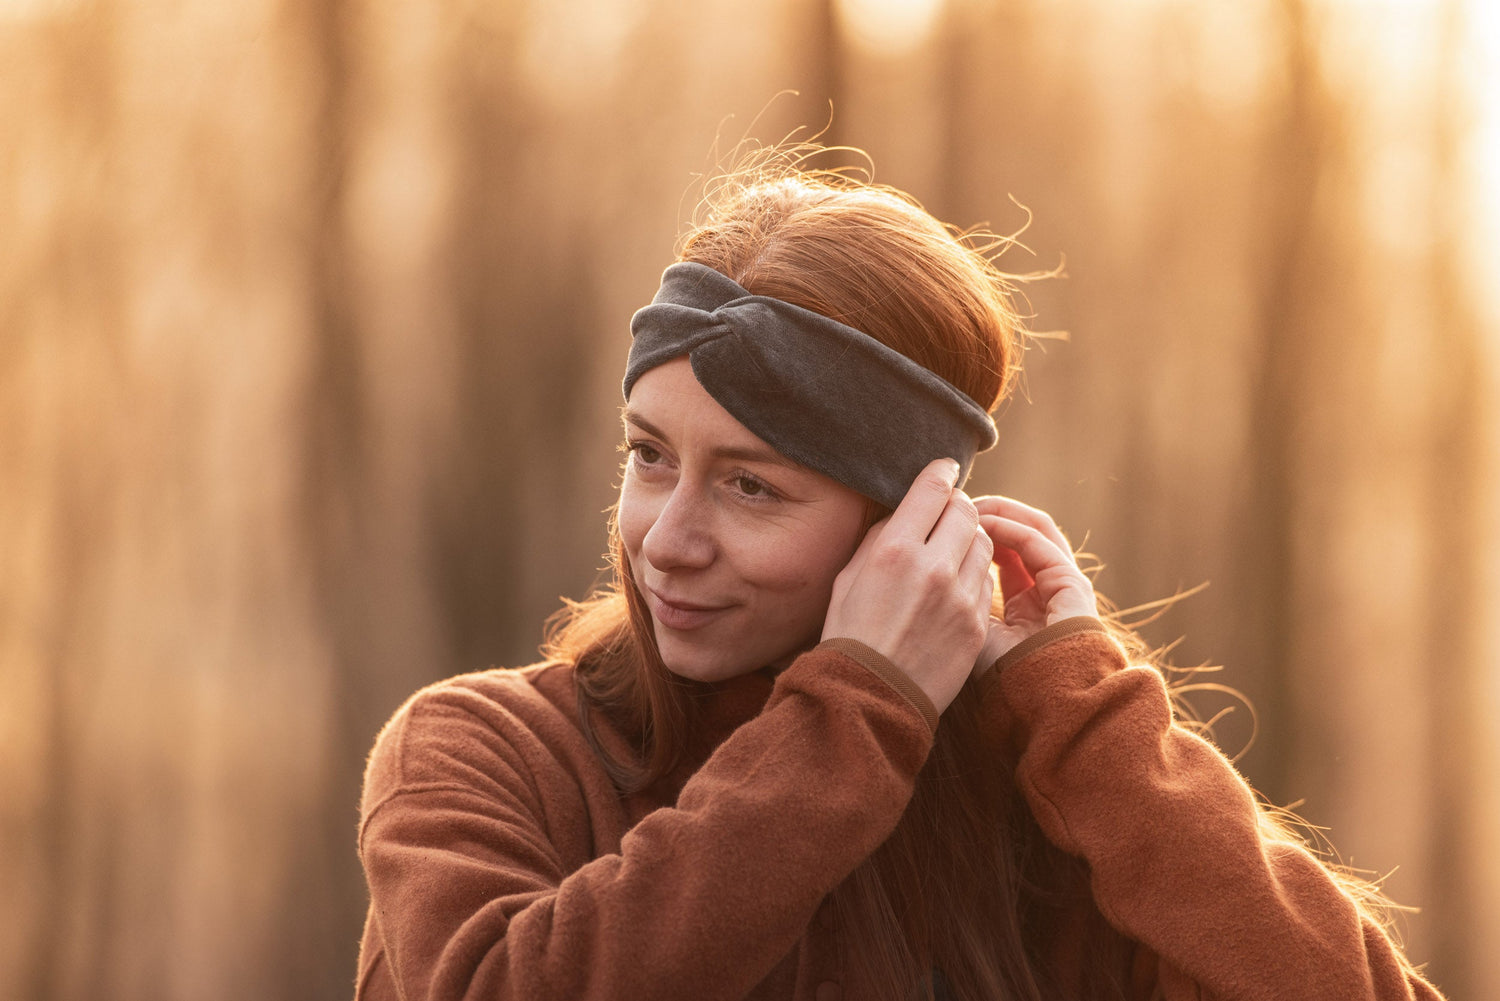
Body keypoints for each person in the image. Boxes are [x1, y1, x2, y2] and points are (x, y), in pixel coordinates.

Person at [352, 148, 1444, 1001]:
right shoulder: (488, 753)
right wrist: (853, 717)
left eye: (751, 485)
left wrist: (1094, 723)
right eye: (649, 455)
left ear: (904, 529)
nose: (666, 538)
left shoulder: (1035, 809)